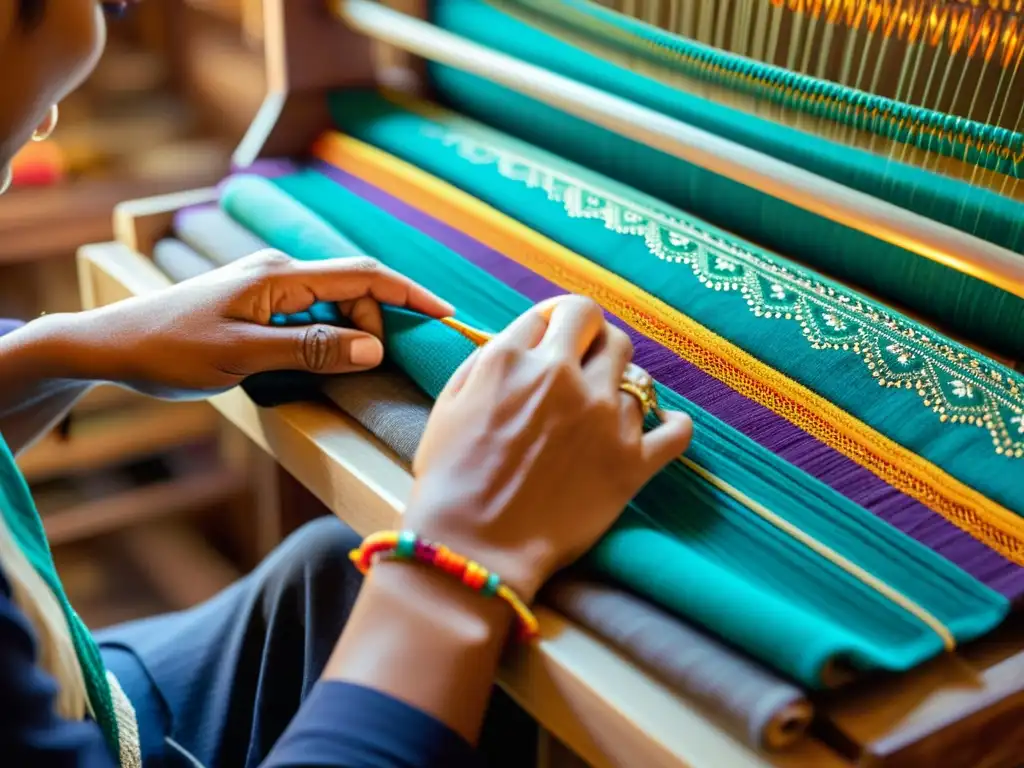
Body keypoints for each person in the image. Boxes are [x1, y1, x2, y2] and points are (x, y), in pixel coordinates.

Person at [0, 2, 694, 766]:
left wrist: (49, 352)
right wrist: (457, 553)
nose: (46, 122)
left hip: (78, 685)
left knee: (336, 572)